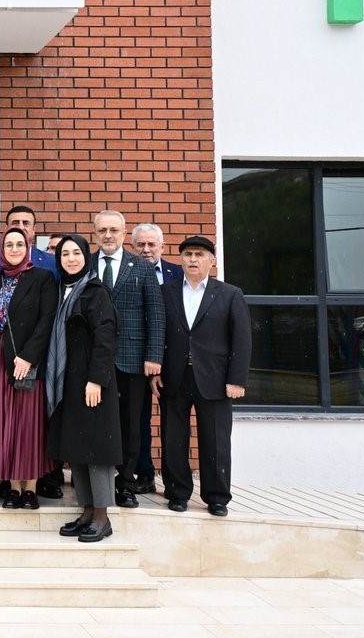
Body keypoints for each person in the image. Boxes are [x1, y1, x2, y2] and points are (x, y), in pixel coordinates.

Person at [153, 236, 251, 517]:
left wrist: (237, 380)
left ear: (212, 260)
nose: (192, 259)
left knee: (216, 439)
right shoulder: (167, 291)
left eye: (199, 254)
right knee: (173, 437)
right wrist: (155, 370)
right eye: (187, 254)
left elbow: (242, 340)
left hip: (216, 379)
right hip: (174, 376)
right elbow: (158, 334)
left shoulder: (230, 294)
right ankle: (177, 493)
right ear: (181, 259)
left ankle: (217, 497)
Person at [45, 235, 121, 542]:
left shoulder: (94, 291)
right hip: (70, 382)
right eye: (65, 254)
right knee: (76, 449)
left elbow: (106, 337)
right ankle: (87, 511)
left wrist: (96, 380)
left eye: (77, 253)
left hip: (91, 383)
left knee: (96, 451)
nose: (71, 258)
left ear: (86, 257)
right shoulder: (61, 290)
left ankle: (102, 517)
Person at [90, 209, 164, 509]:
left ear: (124, 234)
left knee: (132, 424)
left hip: (132, 359)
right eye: (102, 230)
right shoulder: (85, 264)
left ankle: (127, 483)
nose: (108, 235)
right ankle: (100, 484)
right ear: (95, 233)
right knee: (97, 423)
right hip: (93, 360)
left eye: (114, 230)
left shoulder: (142, 267)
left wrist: (154, 356)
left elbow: (155, 316)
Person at [0, 227, 58, 510]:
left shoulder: (42, 279)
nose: (14, 249)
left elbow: (46, 319)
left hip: (26, 362)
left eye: (19, 245)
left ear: (28, 248)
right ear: (1, 250)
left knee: (28, 425)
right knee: (6, 424)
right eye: (9, 245)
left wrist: (28, 357)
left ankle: (31, 489)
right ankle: (13, 487)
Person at [129, 221, 181, 494]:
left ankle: (174, 480)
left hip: (173, 361)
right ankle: (144, 472)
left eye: (152, 245)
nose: (146, 250)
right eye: (141, 245)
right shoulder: (127, 272)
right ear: (132, 247)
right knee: (140, 420)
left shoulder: (178, 275)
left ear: (162, 246)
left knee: (174, 420)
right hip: (138, 360)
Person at [0, 206, 58, 289]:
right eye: (15, 222)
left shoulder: (52, 262)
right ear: (6, 228)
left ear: (34, 229)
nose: (21, 227)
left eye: (26, 223)